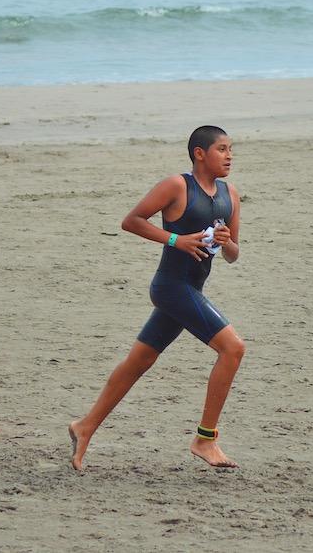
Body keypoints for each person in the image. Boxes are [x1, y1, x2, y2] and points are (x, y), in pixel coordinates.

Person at [69, 125, 245, 470]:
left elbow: (234, 254)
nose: (229, 156)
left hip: (192, 290)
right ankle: (205, 439)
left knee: (138, 362)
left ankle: (84, 426)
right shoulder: (177, 186)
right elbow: (131, 221)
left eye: (230, 149)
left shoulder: (230, 193)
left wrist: (227, 242)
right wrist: (175, 240)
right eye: (222, 149)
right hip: (170, 287)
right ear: (200, 153)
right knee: (233, 348)